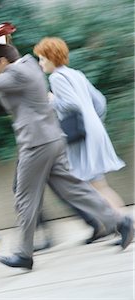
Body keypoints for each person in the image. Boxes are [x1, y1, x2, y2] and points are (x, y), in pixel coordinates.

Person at [0, 30, 133, 270]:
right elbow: (1, 75)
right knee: (75, 189)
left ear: (3, 62)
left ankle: (23, 253)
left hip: (36, 143)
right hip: (51, 139)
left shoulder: (18, 73)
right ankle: (121, 222)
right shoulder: (26, 67)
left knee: (25, 197)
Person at [33, 37, 128, 244]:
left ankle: (124, 225)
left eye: (41, 59)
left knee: (94, 185)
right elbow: (100, 101)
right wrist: (94, 121)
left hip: (82, 135)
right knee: (99, 185)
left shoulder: (57, 78)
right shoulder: (76, 73)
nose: (40, 63)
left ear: (51, 57)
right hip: (94, 130)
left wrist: (51, 101)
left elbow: (71, 104)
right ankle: (123, 226)